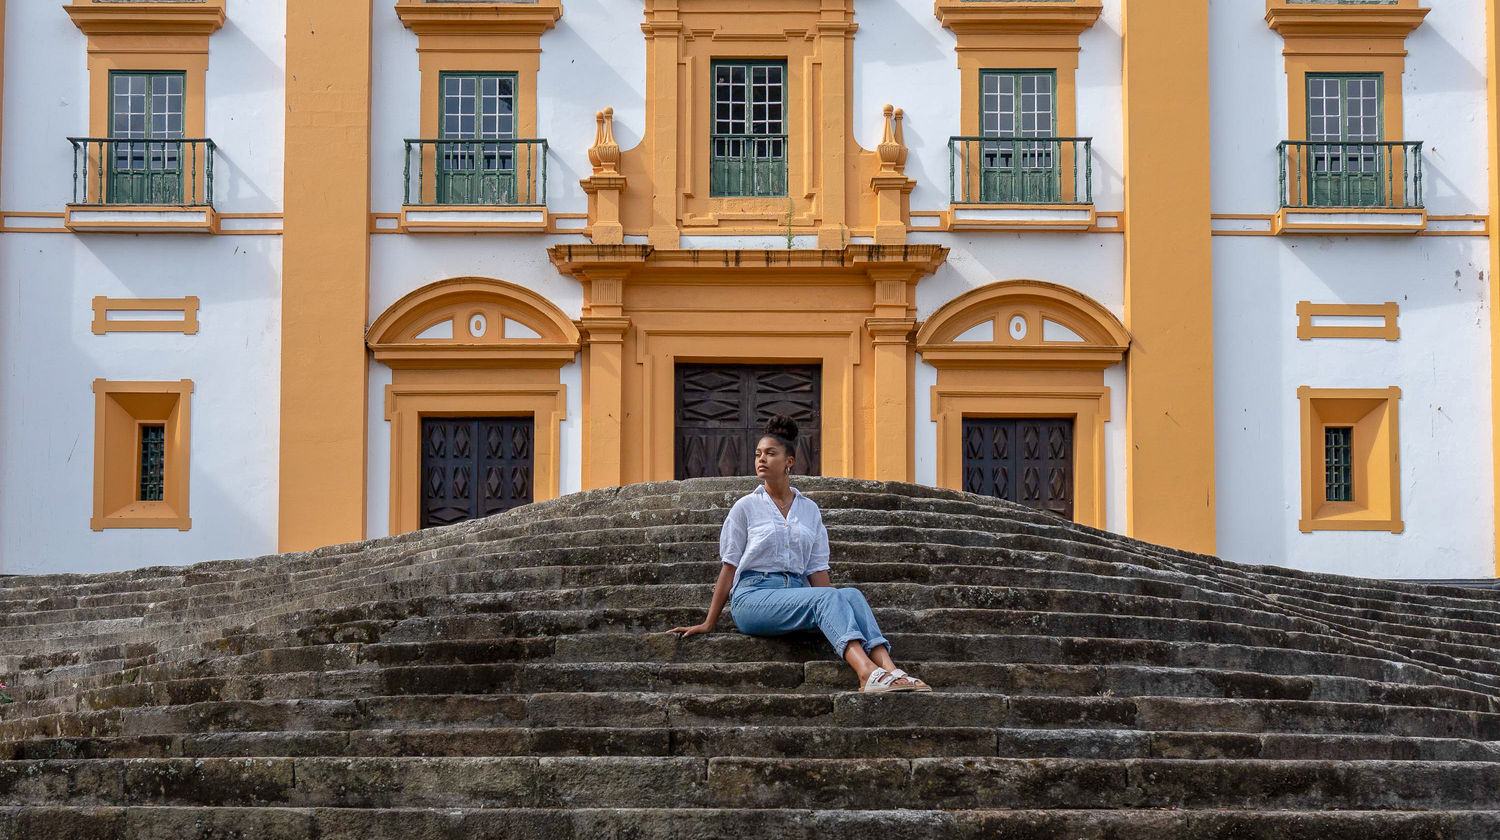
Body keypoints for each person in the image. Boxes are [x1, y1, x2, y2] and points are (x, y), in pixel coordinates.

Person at [669, 414, 932, 693]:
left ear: (789, 461)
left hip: (796, 594)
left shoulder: (809, 509)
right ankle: (866, 672)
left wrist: (835, 610)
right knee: (829, 598)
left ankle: (891, 670)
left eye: (771, 453)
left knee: (851, 595)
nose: (761, 459)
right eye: (758, 454)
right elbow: (730, 566)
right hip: (753, 597)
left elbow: (817, 571)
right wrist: (709, 622)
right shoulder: (745, 507)